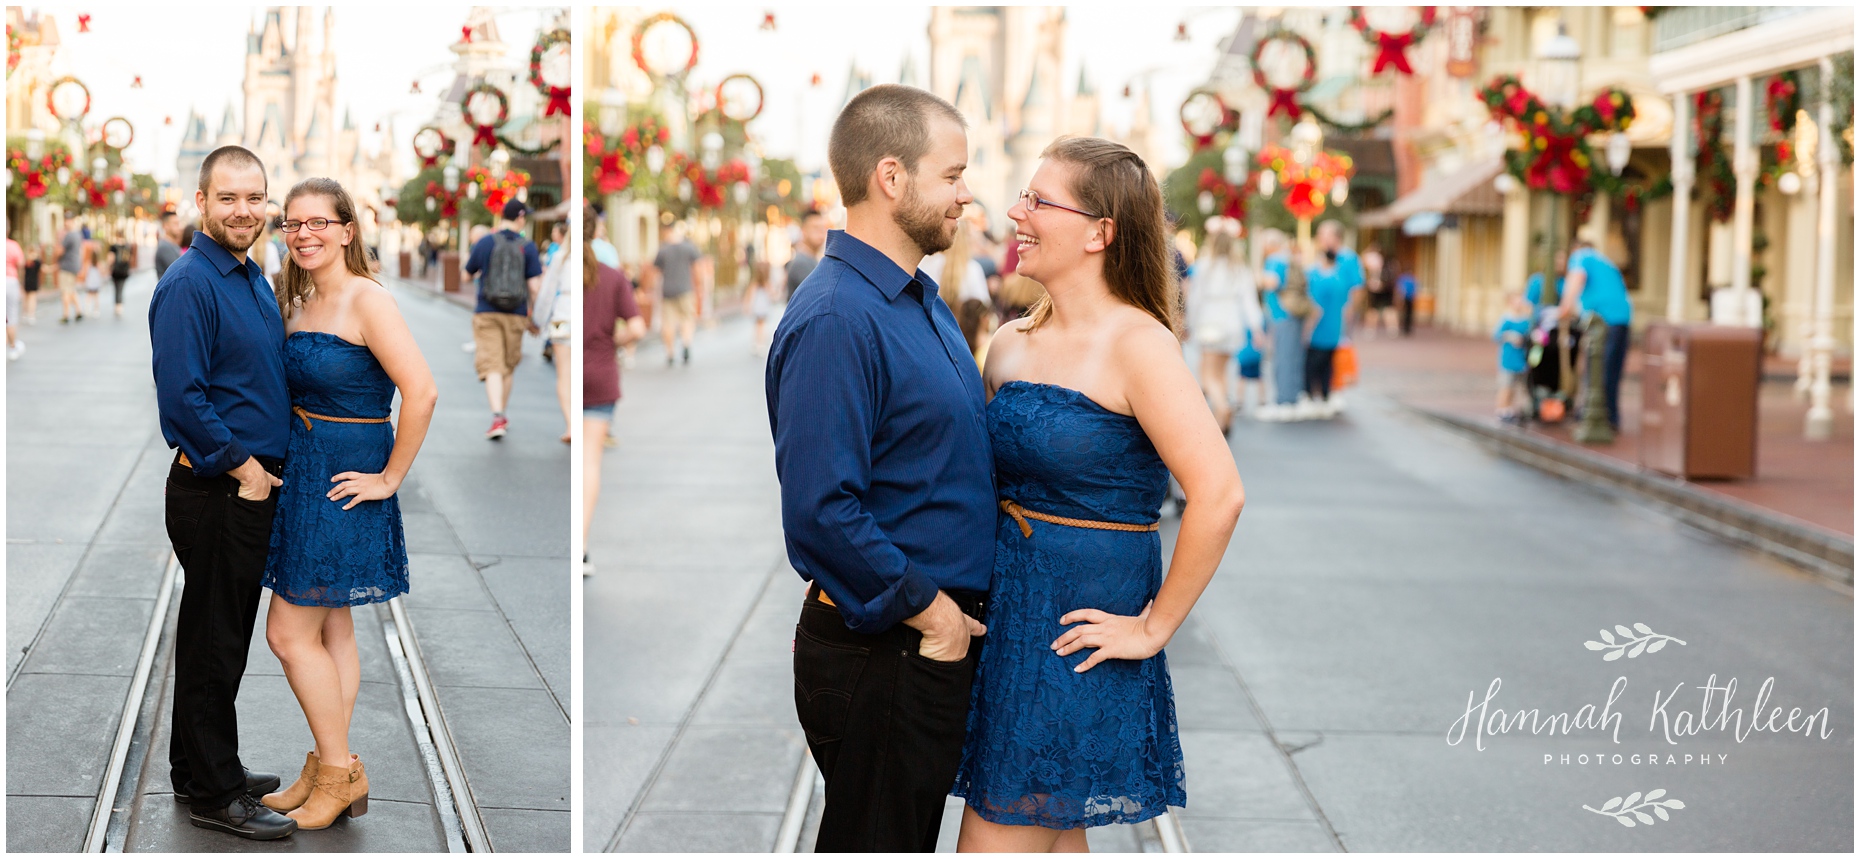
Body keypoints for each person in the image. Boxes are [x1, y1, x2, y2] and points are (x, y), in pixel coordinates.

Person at [955, 136, 1246, 851]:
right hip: (1013, 617)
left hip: (1081, 629)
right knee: (1055, 836)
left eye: (1037, 200)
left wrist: (1153, 625)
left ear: (1099, 231)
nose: (1016, 212)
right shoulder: (1009, 342)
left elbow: (1219, 493)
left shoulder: (1138, 344)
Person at [766, 84, 991, 852]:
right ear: (890, 178)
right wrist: (935, 618)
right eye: (953, 175)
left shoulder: (915, 300)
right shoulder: (838, 316)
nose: (967, 195)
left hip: (913, 645)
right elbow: (821, 509)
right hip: (886, 647)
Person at [259, 176, 436, 830]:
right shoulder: (300, 297)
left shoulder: (367, 300)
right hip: (307, 472)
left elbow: (421, 391)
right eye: (293, 223)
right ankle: (326, 762)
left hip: (345, 479)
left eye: (318, 222)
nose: (304, 233)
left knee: (286, 632)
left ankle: (339, 770)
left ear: (346, 230)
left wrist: (389, 478)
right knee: (331, 625)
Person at [149, 145, 296, 841]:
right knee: (217, 638)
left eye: (255, 197)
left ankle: (195, 765)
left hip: (239, 482)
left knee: (215, 628)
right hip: (219, 486)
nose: (244, 209)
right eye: (229, 197)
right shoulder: (190, 283)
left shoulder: (249, 275)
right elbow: (183, 396)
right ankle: (216, 790)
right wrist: (245, 470)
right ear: (202, 201)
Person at [583, 200, 645, 577]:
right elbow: (637, 328)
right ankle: (583, 547)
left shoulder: (567, 271)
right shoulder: (612, 275)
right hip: (602, 376)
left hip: (573, 372)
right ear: (598, 232)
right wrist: (611, 341)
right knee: (590, 462)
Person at [463, 200, 543, 440]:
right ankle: (502, 414)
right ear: (519, 218)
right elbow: (535, 287)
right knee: (507, 366)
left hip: (487, 311)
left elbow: (466, 275)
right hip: (516, 314)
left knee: (492, 364)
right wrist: (534, 317)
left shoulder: (485, 242)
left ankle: (497, 416)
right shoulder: (527, 247)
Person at [1183, 217, 1259, 431]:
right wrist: (1256, 328)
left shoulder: (1204, 267)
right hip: (1232, 324)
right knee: (1222, 372)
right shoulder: (1240, 269)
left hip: (1210, 323)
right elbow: (1249, 301)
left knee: (1207, 375)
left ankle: (1223, 406)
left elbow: (1195, 300)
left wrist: (1190, 324)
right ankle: (1222, 419)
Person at [1559, 229, 1633, 430]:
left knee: (1598, 368)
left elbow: (1575, 281)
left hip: (1603, 321)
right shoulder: (1606, 262)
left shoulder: (1581, 256)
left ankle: (1594, 415)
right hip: (1623, 319)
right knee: (1612, 371)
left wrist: (1563, 308)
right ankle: (1611, 417)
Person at [1302, 220, 1363, 418]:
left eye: (1324, 235)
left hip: (1338, 314)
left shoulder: (1348, 258)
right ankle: (1319, 393)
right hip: (1321, 314)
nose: (1321, 239)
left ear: (1335, 237)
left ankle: (1333, 392)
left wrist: (1350, 309)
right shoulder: (1320, 258)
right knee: (1320, 355)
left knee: (1334, 354)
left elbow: (1356, 287)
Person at [531, 219, 575, 442]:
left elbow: (547, 293)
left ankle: (570, 424)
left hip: (561, 316)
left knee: (564, 373)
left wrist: (538, 321)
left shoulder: (560, 257)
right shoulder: (588, 258)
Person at [1255, 229, 1303, 420]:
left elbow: (1272, 282)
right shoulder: (1288, 258)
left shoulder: (1274, 260)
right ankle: (1292, 398)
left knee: (1282, 358)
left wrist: (1258, 278)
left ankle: (1283, 401)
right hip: (1291, 314)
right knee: (1292, 357)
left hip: (1280, 314)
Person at [648, 221, 704, 367]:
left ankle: (670, 352)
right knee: (687, 318)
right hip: (685, 289)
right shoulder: (688, 247)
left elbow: (655, 272)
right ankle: (686, 344)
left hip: (668, 290)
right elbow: (697, 268)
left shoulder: (663, 249)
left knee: (668, 322)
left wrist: (651, 290)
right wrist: (699, 286)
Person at [1494, 291, 1534, 423]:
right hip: (1508, 359)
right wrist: (1509, 336)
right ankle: (1502, 409)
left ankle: (1513, 409)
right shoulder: (1507, 319)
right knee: (1506, 386)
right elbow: (1496, 335)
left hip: (1521, 359)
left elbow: (1530, 334)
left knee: (1519, 386)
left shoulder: (1526, 320)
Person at [784, 208, 827, 293]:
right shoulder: (801, 263)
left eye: (823, 229)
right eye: (815, 228)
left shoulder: (812, 259)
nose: (820, 233)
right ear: (804, 231)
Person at [1360, 244, 1397, 338]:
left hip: (1385, 291)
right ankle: (1370, 329)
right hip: (1374, 290)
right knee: (1373, 310)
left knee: (1388, 310)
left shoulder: (1388, 267)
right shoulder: (1372, 268)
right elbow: (1362, 259)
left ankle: (1392, 329)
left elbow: (1391, 280)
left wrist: (1382, 284)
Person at [7, 235, 24, 359]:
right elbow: (20, 265)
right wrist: (22, 284)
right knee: (10, 316)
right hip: (10, 281)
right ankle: (12, 347)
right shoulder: (13, 246)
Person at [156, 210, 185, 279]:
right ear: (166, 226)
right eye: (175, 224)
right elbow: (180, 271)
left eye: (179, 223)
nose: (179, 227)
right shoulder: (164, 247)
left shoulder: (172, 244)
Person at [110, 234, 132, 317]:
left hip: (116, 271)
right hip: (124, 271)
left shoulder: (114, 247)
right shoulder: (127, 247)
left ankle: (117, 306)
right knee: (121, 288)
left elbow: (111, 258)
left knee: (116, 288)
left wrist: (108, 267)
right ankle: (120, 306)